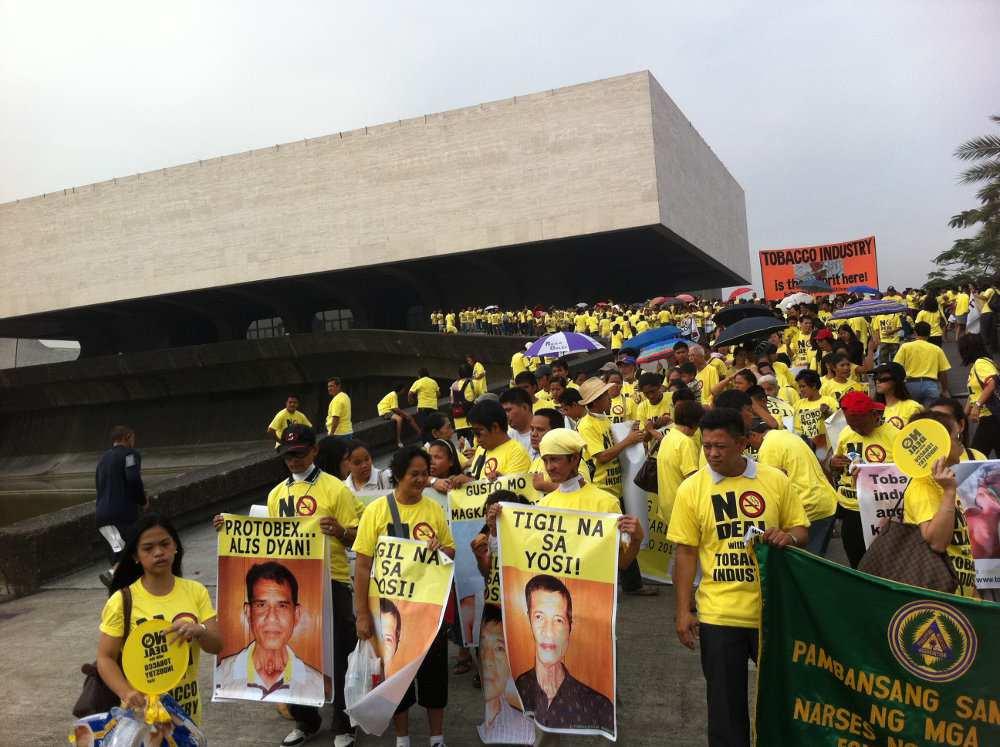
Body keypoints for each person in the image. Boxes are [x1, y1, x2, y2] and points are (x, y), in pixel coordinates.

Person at [667, 407, 808, 747]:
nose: (712, 454)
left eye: (721, 446)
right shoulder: (692, 489)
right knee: (724, 709)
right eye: (707, 446)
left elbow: (801, 529)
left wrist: (788, 537)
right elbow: (685, 553)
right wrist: (683, 611)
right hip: (719, 614)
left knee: (782, 700)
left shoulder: (774, 479)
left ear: (743, 443)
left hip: (771, 612)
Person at [215, 424, 359, 747]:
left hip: (331, 579)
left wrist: (339, 531)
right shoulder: (277, 493)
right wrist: (229, 528)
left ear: (314, 451)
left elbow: (359, 536)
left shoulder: (335, 489)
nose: (293, 460)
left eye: (299, 453)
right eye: (287, 455)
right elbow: (264, 539)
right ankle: (305, 719)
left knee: (339, 653)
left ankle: (345, 723)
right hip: (294, 586)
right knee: (295, 651)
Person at [353, 447, 456, 747]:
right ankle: (403, 738)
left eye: (425, 474)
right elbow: (362, 567)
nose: (421, 479)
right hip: (390, 612)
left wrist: (441, 549)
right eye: (415, 474)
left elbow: (451, 551)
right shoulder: (377, 511)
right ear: (398, 475)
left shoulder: (433, 509)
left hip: (427, 612)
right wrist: (361, 614)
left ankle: (437, 737)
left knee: (434, 675)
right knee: (396, 675)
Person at [98, 514, 222, 726]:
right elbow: (105, 657)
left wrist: (200, 630)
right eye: (148, 548)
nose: (158, 552)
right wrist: (126, 693)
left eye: (165, 544)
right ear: (136, 556)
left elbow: (217, 645)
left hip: (187, 714)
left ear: (175, 547)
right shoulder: (122, 600)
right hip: (142, 716)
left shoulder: (195, 591)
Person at [513, 574, 614, 733]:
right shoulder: (516, 689)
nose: (548, 632)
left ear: (570, 627)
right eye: (539, 617)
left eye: (558, 620)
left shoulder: (599, 707)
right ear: (529, 621)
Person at [214, 561, 325, 701]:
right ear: (248, 613)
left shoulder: (316, 685)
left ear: (296, 615)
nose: (272, 618)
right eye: (261, 605)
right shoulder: (222, 677)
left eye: (282, 606)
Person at [902, 411, 978, 597]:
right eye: (955, 436)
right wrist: (950, 492)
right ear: (939, 444)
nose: (960, 440)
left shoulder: (944, 480)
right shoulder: (923, 486)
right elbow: (937, 542)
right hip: (942, 600)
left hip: (962, 594)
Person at [747, 419, 839, 555]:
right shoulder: (787, 435)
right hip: (824, 501)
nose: (752, 448)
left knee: (806, 564)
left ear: (753, 435)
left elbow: (771, 487)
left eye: (750, 443)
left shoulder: (767, 447)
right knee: (816, 560)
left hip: (809, 507)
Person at [829, 391, 899, 568]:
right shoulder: (846, 433)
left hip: (883, 512)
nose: (858, 431)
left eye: (862, 426)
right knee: (857, 563)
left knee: (886, 564)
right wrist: (833, 463)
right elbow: (834, 463)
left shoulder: (895, 436)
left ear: (874, 415)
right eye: (853, 426)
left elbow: (905, 475)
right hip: (851, 509)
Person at [95, 425, 148, 588]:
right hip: (123, 514)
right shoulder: (130, 455)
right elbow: (132, 478)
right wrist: (142, 500)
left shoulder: (102, 459)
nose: (134, 441)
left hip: (102, 516)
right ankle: (114, 575)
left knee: (119, 552)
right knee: (135, 549)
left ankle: (115, 577)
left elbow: (98, 484)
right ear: (127, 437)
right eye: (133, 438)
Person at [655, 400, 704, 524]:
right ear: (694, 422)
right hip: (681, 508)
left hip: (667, 504)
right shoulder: (686, 442)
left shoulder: (668, 437)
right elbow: (692, 480)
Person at [959, 332, 1000, 458]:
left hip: (991, 417)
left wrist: (977, 405)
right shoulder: (977, 366)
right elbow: (974, 394)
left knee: (976, 458)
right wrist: (962, 415)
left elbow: (992, 383)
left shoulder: (980, 363)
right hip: (990, 418)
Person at [893, 321, 952, 405]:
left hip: (910, 385)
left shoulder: (905, 347)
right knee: (930, 415)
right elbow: (943, 372)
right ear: (929, 334)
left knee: (912, 414)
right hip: (930, 385)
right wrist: (945, 390)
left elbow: (896, 367)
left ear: (915, 333)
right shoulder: (936, 349)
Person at [792, 369, 838, 452]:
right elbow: (795, 428)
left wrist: (827, 413)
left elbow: (837, 424)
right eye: (799, 387)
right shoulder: (797, 404)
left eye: (803, 386)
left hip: (824, 448)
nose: (801, 390)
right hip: (803, 447)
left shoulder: (830, 401)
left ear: (813, 385)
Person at [872, 362, 923, 429]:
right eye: (875, 378)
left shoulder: (912, 408)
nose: (877, 381)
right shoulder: (872, 408)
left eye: (883, 379)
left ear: (896, 380)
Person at [378, 382, 420, 449]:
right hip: (385, 411)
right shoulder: (393, 395)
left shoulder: (393, 394)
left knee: (409, 417)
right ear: (401, 389)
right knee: (399, 419)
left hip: (388, 410)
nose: (404, 391)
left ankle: (419, 432)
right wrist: (405, 414)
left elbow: (394, 408)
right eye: (404, 389)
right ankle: (398, 441)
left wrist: (405, 414)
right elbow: (395, 408)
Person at [499, 386, 535, 457]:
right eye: (503, 411)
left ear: (525, 407)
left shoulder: (543, 433)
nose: (505, 415)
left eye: (508, 410)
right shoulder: (506, 436)